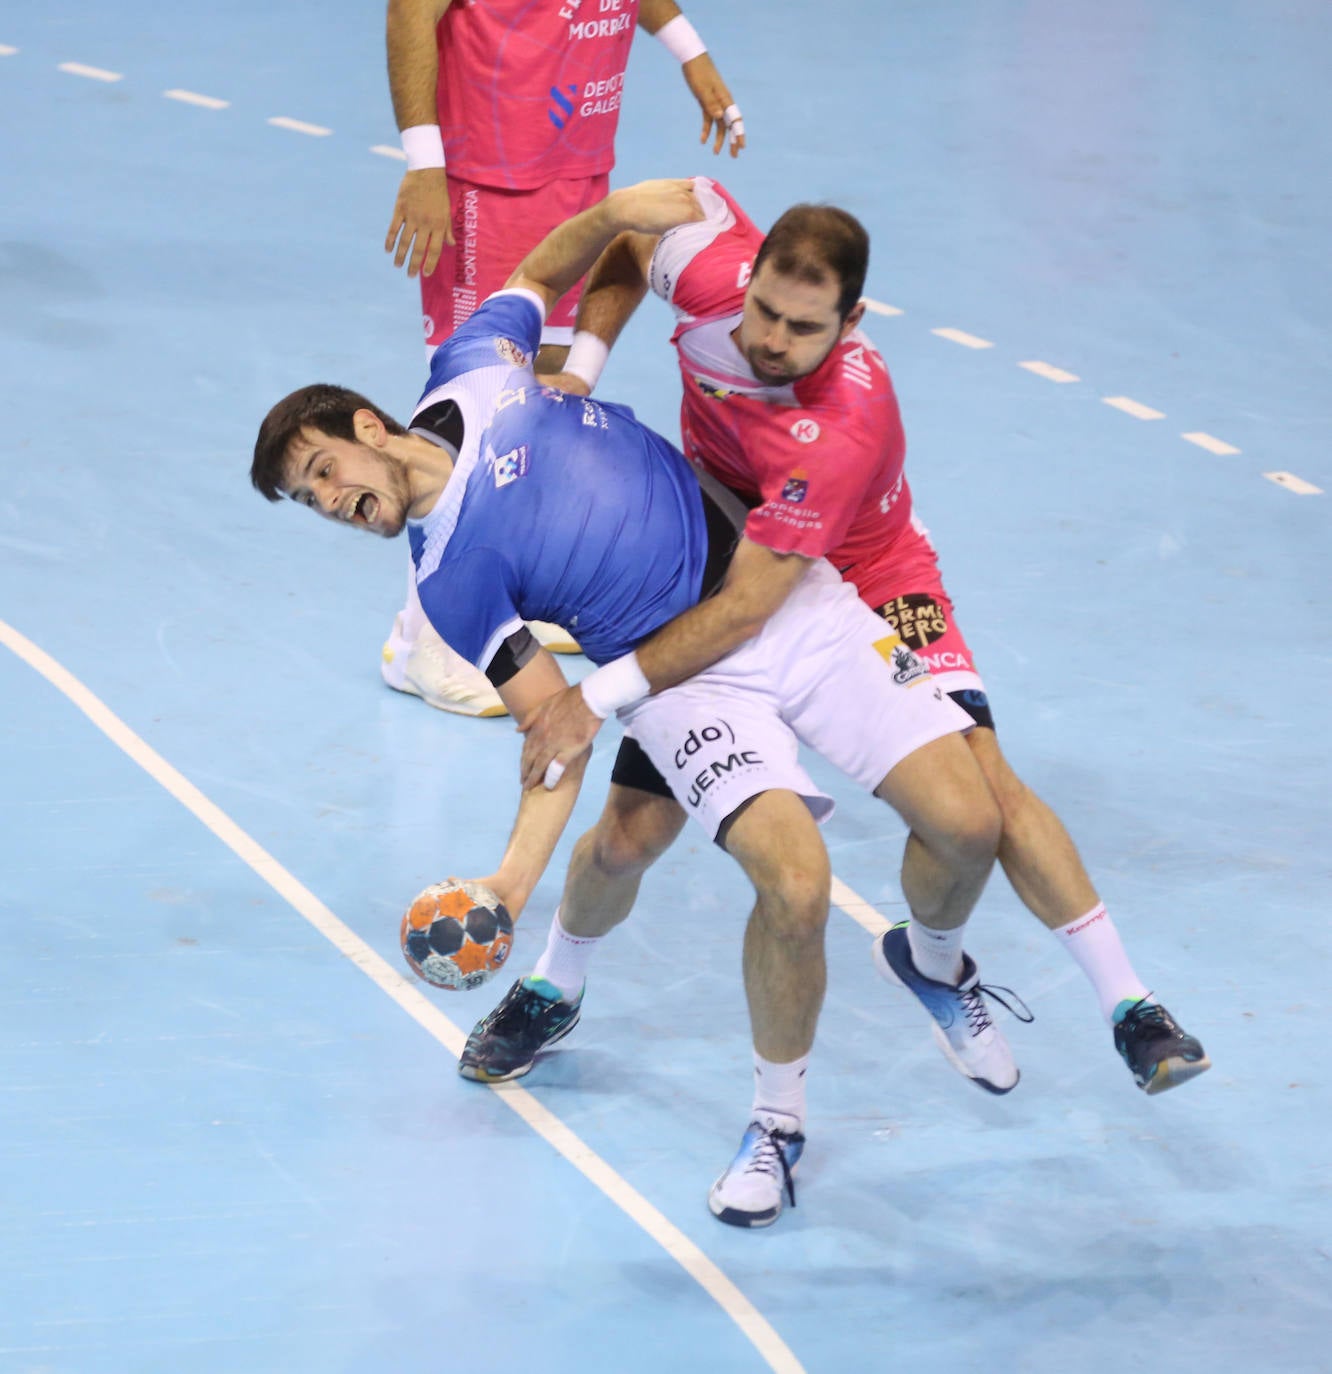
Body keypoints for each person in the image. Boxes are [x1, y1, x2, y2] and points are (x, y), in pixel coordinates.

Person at [249, 181, 1015, 1228]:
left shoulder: (473, 365)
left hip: (761, 580)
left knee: (648, 842)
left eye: (328, 471)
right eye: (315, 502)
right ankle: (748, 1107)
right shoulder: (451, 581)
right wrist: (510, 886)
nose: (336, 503)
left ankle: (921, 968)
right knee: (749, 876)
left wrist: (615, 215)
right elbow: (554, 728)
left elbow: (540, 272)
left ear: (369, 426)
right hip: (670, 666)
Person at [511, 175, 1210, 1098]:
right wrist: (583, 367)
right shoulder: (709, 267)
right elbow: (634, 249)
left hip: (865, 574)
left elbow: (756, 606)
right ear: (748, 275)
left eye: (804, 329)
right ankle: (554, 984)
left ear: (852, 320)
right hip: (717, 552)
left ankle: (1125, 1004)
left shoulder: (840, 422)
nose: (771, 341)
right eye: (765, 312)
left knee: (983, 799)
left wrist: (593, 695)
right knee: (630, 834)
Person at [379, 0, 746, 720]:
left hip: (575, 167)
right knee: (476, 413)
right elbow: (408, 11)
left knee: (535, 402)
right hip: (487, 176)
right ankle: (421, 645)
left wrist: (688, 48)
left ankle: (510, 598)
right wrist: (425, 165)